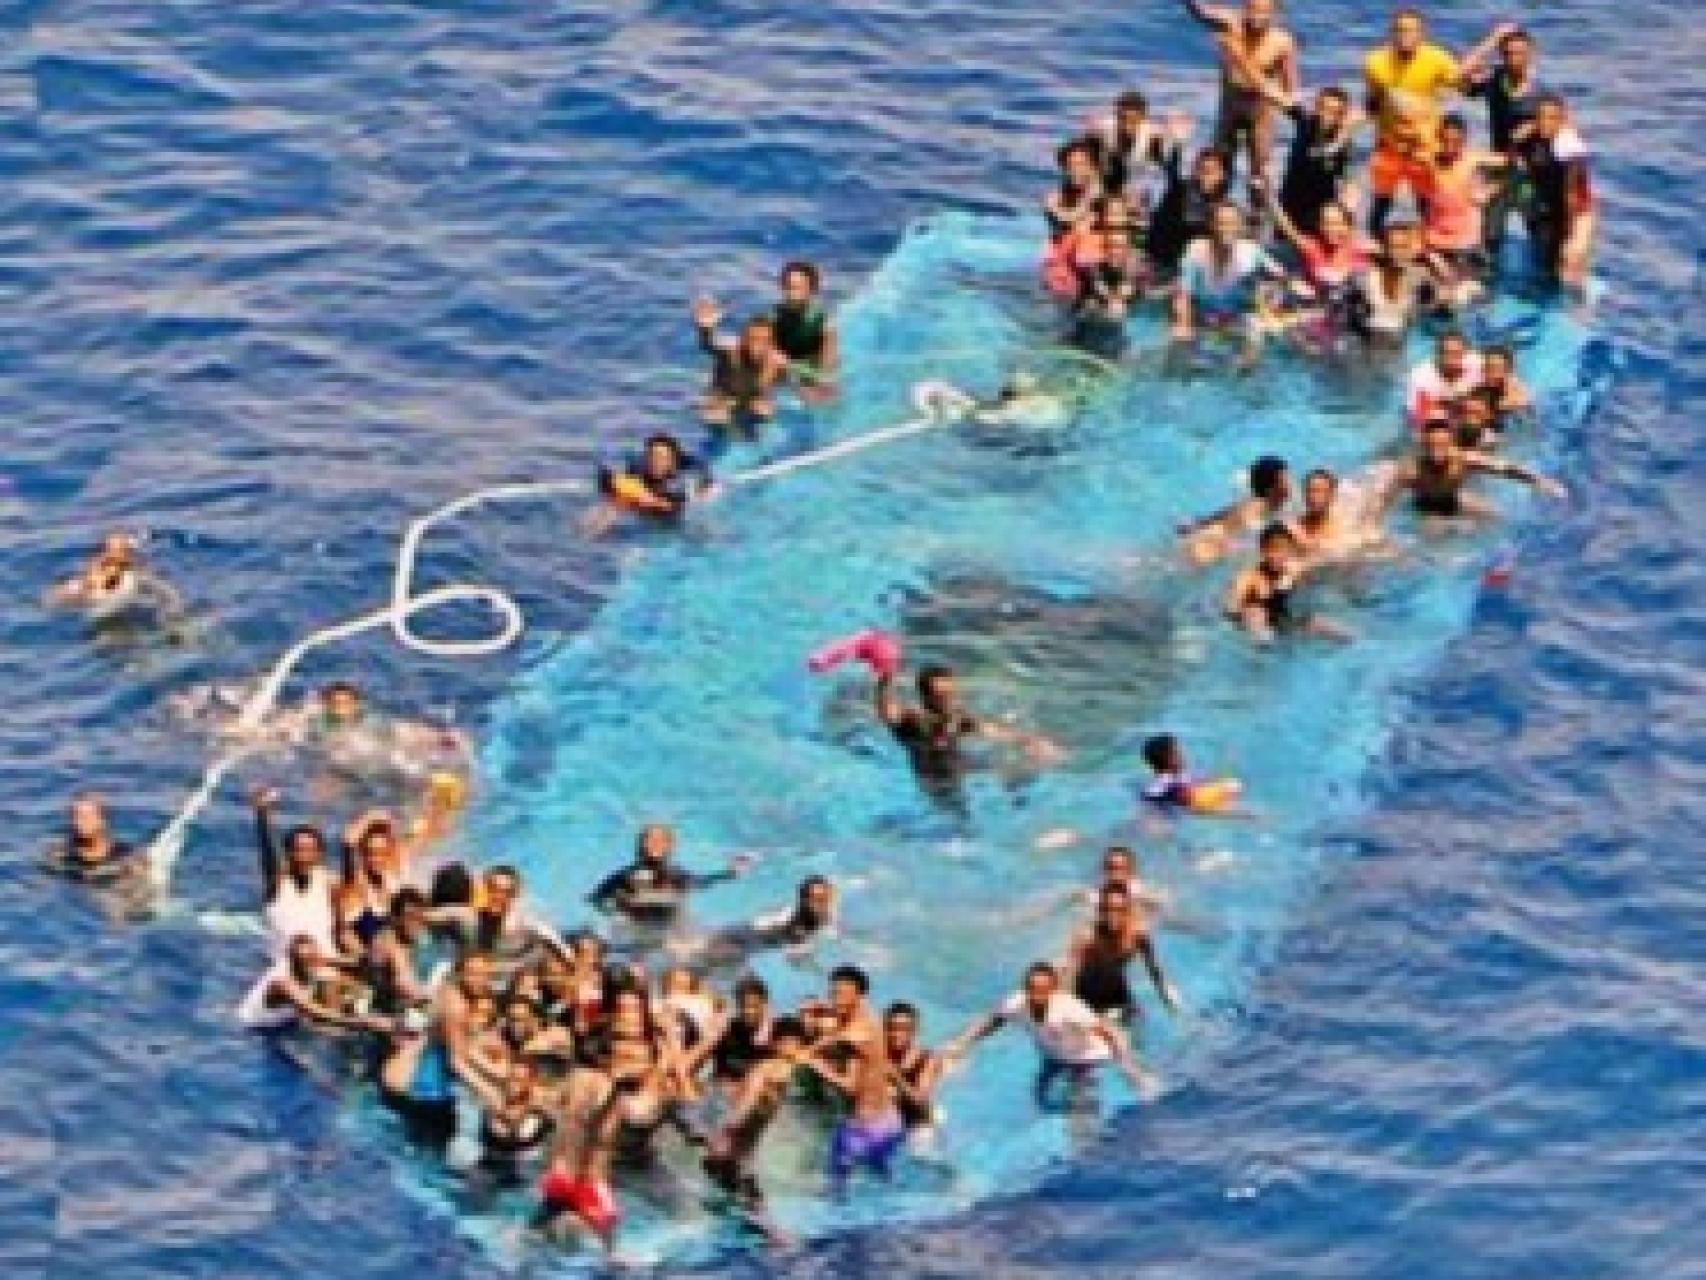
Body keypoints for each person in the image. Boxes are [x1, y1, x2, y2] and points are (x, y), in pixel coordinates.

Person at [1362, 12, 1510, 234]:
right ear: (1391, 33)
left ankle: (1430, 248)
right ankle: (1375, 249)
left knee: (1427, 203)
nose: (1405, 36)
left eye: (1411, 30)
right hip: (1389, 144)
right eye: (1400, 30)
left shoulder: (1436, 58)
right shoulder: (1374, 62)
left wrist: (1492, 41)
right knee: (1381, 203)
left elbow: (1461, 76)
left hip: (1424, 146)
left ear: (1421, 34)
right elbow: (1372, 100)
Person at [949, 962, 1156, 1109]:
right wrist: (963, 1043)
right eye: (1031, 989)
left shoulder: (1070, 1008)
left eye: (1042, 990)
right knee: (1040, 1100)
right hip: (1054, 1057)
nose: (1035, 995)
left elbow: (1106, 1033)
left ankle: (1085, 1126)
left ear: (1053, 990)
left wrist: (1129, 1069)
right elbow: (993, 1020)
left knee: (1080, 1101)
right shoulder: (1017, 1002)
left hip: (1087, 1058)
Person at [799, 966, 907, 1196]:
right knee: (882, 1179)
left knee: (833, 1190)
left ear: (858, 995)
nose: (834, 999)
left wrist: (813, 1062)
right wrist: (822, 1007)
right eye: (832, 993)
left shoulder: (854, 1035)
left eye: (840, 994)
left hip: (862, 1129)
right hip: (890, 1123)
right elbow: (842, 1019)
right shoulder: (871, 1016)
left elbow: (850, 1087)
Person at [874, 661, 1059, 790]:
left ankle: (1014, 793)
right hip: (935, 781)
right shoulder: (913, 721)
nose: (950, 702)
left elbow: (991, 730)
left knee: (1019, 772)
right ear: (926, 698)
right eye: (942, 697)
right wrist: (885, 679)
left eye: (952, 695)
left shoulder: (958, 717)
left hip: (959, 766)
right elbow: (887, 712)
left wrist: (1029, 741)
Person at [1179, 0, 1298, 184]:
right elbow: (1200, 12)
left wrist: (1286, 106)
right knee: (1219, 165)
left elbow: (1289, 86)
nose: (1257, 16)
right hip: (1230, 109)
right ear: (1244, 8)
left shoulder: (1282, 42)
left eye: (1264, 11)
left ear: (1275, 13)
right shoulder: (1229, 24)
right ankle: (1216, 208)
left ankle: (1259, 209)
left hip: (1260, 113)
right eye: (1252, 9)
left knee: (1259, 174)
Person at [1463, 27, 1547, 258]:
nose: (1514, 59)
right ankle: (1488, 279)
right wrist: (1492, 39)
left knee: (1540, 232)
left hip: (1531, 172)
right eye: (1508, 53)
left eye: (1520, 53)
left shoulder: (1541, 93)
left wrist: (1534, 126)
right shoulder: (1495, 80)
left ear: (1531, 54)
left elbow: (1561, 126)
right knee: (1490, 236)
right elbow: (1462, 74)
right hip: (1499, 168)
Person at [1380, 418, 1566, 523]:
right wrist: (1372, 524)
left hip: (1454, 498)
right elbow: (1387, 497)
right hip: (1426, 506)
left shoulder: (1463, 458)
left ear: (1451, 443)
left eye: (1443, 444)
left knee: (1497, 517)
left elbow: (1505, 468)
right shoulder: (1411, 469)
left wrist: (1540, 481)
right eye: (1432, 445)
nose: (1438, 449)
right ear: (1424, 445)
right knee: (1435, 532)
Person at [1170, 200, 1286, 356]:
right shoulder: (1196, 249)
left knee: (1256, 333)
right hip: (1201, 315)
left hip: (1237, 317)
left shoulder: (1251, 251)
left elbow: (1282, 277)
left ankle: (1245, 373)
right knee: (1178, 341)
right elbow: (1183, 293)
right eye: (1221, 223)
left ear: (1240, 226)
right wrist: (1184, 323)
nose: (1226, 228)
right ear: (1211, 225)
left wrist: (1269, 306)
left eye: (1232, 223)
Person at [588, 824, 751, 931]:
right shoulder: (624, 875)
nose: (654, 844)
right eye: (649, 839)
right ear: (640, 844)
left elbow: (701, 883)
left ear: (669, 846)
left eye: (660, 840)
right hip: (637, 931)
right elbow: (594, 898)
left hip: (673, 930)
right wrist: (615, 914)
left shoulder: (675, 874)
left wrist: (729, 872)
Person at [1513, 93, 1595, 290]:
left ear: (1562, 120)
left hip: (1578, 212)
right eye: (1541, 117)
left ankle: (1578, 302)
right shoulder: (1530, 138)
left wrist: (1569, 237)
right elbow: (1522, 167)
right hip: (1548, 205)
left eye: (1551, 118)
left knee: (1570, 261)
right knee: (1543, 258)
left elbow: (1571, 197)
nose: (1545, 123)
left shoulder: (1569, 148)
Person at [1065, 883, 1179, 1023]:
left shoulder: (1137, 934)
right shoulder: (1088, 937)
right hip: (1087, 991)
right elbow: (1070, 973)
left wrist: (1165, 994)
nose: (1112, 915)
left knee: (1139, 1022)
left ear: (1128, 910)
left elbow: (1153, 968)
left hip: (1117, 986)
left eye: (1119, 909)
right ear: (1100, 910)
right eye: (1107, 909)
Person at [238, 933, 392, 1036]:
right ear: (292, 959)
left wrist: (374, 957)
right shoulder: (284, 984)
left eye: (313, 958)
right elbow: (316, 1012)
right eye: (303, 961)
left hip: (286, 1019)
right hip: (256, 1031)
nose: (310, 964)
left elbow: (353, 964)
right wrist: (365, 1023)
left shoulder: (311, 960)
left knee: (349, 988)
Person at [1224, 522, 1351, 644]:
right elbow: (1230, 610)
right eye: (1274, 549)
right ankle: (1263, 645)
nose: (1280, 555)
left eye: (1285, 550)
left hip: (1282, 625)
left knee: (1316, 621)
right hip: (1253, 626)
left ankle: (1354, 642)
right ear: (1263, 551)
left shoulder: (1292, 573)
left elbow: (1321, 573)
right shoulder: (1248, 578)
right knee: (1255, 612)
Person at [252, 787, 340, 959]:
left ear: (319, 854)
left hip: (328, 966)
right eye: (298, 850)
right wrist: (263, 814)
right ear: (288, 854)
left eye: (310, 850)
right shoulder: (277, 885)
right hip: (287, 971)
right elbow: (268, 855)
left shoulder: (330, 884)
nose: (303, 856)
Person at [681, 875, 837, 968]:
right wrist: (803, 950)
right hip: (744, 935)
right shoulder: (793, 919)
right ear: (803, 899)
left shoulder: (826, 913)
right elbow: (791, 955)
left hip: (754, 940)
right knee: (701, 955)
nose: (820, 902)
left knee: (711, 957)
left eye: (824, 898)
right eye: (814, 898)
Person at [44, 531, 184, 623]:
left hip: (124, 609)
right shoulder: (79, 585)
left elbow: (168, 595)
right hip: (108, 610)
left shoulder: (136, 575)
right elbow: (51, 599)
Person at [586, 433, 712, 535]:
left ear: (672, 462)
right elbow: (614, 486)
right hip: (649, 501)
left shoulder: (683, 478)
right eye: (652, 456)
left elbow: (682, 506)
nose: (656, 462)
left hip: (673, 512)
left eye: (662, 458)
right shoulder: (637, 470)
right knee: (615, 503)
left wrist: (653, 501)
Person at [1423, 113, 1503, 273]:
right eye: (1445, 140)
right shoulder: (1428, 163)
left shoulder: (1473, 160)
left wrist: (1491, 190)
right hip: (1435, 242)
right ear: (1438, 138)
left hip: (1466, 244)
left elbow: (1512, 165)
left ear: (1464, 141)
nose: (1450, 146)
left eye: (1456, 141)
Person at [1177, 454, 1291, 566]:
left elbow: (1221, 516)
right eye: (1284, 480)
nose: (1289, 484)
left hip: (1207, 539)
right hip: (1206, 546)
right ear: (1270, 489)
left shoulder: (1260, 503)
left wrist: (1197, 524)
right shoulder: (1254, 509)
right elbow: (1234, 537)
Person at [692, 301, 789, 431]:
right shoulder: (730, 350)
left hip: (749, 402)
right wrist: (705, 328)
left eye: (764, 340)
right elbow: (708, 345)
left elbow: (780, 387)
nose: (757, 345)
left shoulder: (775, 362)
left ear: (771, 343)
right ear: (743, 338)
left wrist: (775, 369)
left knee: (765, 411)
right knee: (715, 417)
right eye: (752, 338)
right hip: (721, 400)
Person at [1146, 134, 1231, 278]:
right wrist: (1175, 145)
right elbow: (1170, 171)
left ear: (1221, 175)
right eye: (1200, 169)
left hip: (1191, 269)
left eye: (1209, 172)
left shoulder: (1222, 204)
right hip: (1163, 262)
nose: (1203, 176)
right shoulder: (1181, 191)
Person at [1071, 227, 1146, 358]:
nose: (1115, 251)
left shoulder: (1135, 278)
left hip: (1116, 340)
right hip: (1088, 336)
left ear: (1128, 250)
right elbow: (1080, 310)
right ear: (1105, 249)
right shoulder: (1093, 274)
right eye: (1111, 246)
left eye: (1120, 247)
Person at [45, 793, 148, 888]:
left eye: (86, 816)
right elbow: (44, 882)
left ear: (102, 820)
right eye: (75, 816)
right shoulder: (61, 854)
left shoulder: (126, 854)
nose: (79, 823)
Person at [1088, 90, 1168, 202]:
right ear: (1116, 115)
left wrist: (1133, 193)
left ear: (1143, 118)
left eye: (1133, 121)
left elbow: (1156, 173)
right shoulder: (1102, 130)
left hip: (1141, 174)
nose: (1126, 126)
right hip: (1112, 170)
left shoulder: (1154, 136)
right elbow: (1091, 164)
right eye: (1122, 119)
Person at [1140, 733, 1245, 816]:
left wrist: (1227, 763)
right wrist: (1239, 813)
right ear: (1171, 759)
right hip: (1161, 816)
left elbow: (1208, 776)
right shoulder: (1168, 785)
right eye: (1178, 751)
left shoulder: (1178, 776)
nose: (1184, 753)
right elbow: (1196, 809)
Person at [771, 260, 838, 389]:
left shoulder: (824, 325)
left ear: (812, 290)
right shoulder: (773, 316)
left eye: (797, 288)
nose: (791, 293)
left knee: (826, 390)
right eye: (787, 287)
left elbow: (826, 375)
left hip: (810, 372)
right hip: (782, 372)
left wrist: (790, 366)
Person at [883, 1002, 944, 1136]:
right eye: (891, 1028)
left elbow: (920, 1100)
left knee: (921, 1154)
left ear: (914, 1031)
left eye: (904, 1029)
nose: (896, 1034)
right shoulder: (878, 1054)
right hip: (890, 1119)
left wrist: (894, 1075)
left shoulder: (927, 1059)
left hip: (919, 1121)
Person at [1406, 329, 1485, 426]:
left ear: (1465, 354)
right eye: (1447, 353)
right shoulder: (1422, 376)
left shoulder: (1477, 363)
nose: (1452, 360)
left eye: (1458, 354)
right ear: (1438, 355)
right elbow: (1417, 417)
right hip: (1436, 416)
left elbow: (1505, 383)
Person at [1043, 139, 1105, 242]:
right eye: (1070, 165)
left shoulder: (1103, 196)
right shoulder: (1059, 196)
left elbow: (1074, 218)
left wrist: (1057, 211)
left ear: (1094, 167)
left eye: (1081, 164)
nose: (1075, 170)